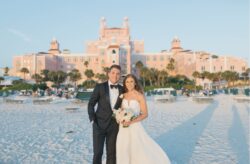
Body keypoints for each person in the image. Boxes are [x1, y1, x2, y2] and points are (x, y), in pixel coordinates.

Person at [116, 74, 171, 164]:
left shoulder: (139, 96)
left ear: (135, 83)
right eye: (127, 82)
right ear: (124, 83)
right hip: (123, 128)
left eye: (131, 81)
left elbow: (145, 114)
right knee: (123, 147)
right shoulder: (123, 95)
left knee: (137, 148)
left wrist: (131, 121)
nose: (129, 84)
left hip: (134, 126)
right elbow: (121, 110)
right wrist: (119, 117)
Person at [88, 64, 124, 164]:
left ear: (120, 75)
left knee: (112, 153)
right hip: (98, 124)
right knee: (98, 153)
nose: (115, 75)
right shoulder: (100, 87)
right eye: (113, 73)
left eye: (118, 74)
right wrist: (92, 119)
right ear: (108, 74)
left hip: (114, 126)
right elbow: (91, 104)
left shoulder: (122, 89)